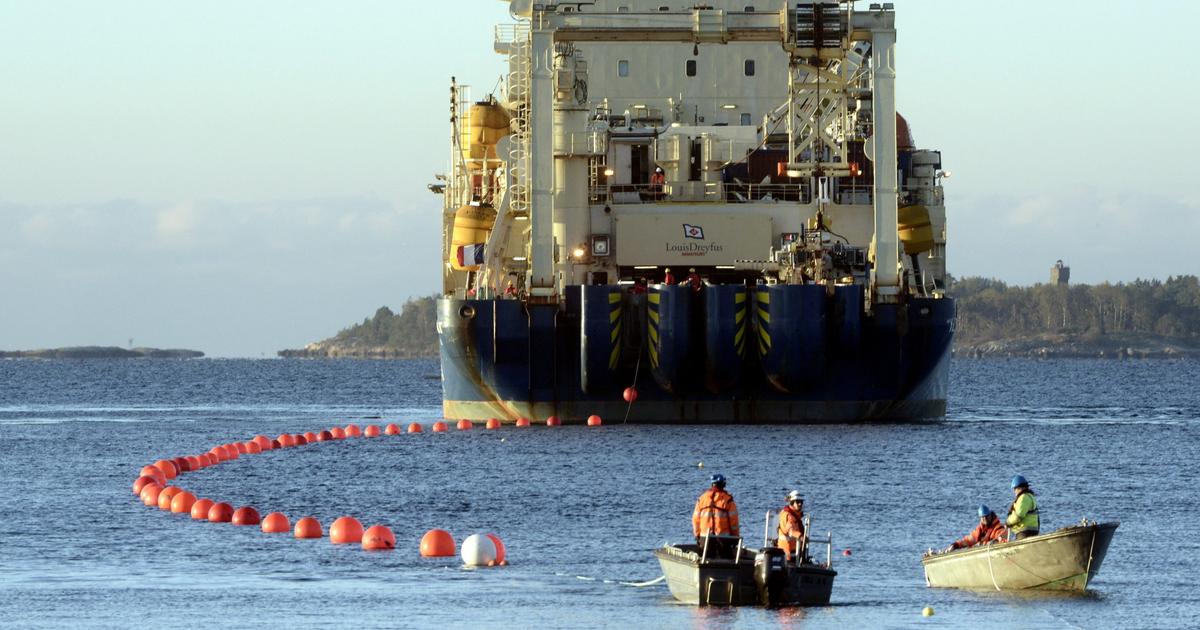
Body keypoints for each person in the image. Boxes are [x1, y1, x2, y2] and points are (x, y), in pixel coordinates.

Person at [693, 474, 740, 555]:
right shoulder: (728, 500)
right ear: (723, 484)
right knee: (727, 560)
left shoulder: (702, 499)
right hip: (723, 538)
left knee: (705, 558)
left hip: (705, 537)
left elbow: (695, 519)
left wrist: (697, 535)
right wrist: (735, 537)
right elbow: (734, 521)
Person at [1006, 475, 1040, 540]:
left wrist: (1008, 522)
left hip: (1024, 531)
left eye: (1014, 489)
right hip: (1033, 530)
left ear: (1019, 488)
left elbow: (1019, 515)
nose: (1014, 491)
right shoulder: (1031, 496)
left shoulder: (1023, 498)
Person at [776, 490, 806, 561]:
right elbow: (790, 531)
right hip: (786, 553)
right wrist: (801, 536)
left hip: (795, 552)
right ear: (792, 502)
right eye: (797, 502)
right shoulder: (787, 515)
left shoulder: (796, 516)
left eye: (801, 502)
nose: (800, 504)